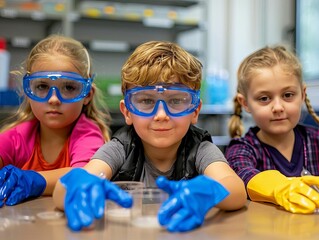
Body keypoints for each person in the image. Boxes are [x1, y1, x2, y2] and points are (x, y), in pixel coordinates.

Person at [53, 40, 247, 232]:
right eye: (146, 100)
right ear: (127, 111)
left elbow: (236, 189)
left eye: (176, 100)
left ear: (195, 110)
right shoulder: (121, 147)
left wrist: (211, 191)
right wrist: (76, 186)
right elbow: (61, 193)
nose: (161, 115)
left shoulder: (200, 148)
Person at [0, 34, 112, 207]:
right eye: (42, 87)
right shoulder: (17, 137)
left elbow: (84, 175)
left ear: (87, 95)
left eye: (68, 87)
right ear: (28, 91)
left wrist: (34, 180)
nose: (53, 99)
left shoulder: (87, 135)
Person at [225, 45, 319, 214]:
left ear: (303, 94)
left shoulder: (316, 140)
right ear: (245, 103)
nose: (277, 107)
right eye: (264, 98)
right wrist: (279, 188)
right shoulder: (242, 149)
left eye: (288, 95)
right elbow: (242, 174)